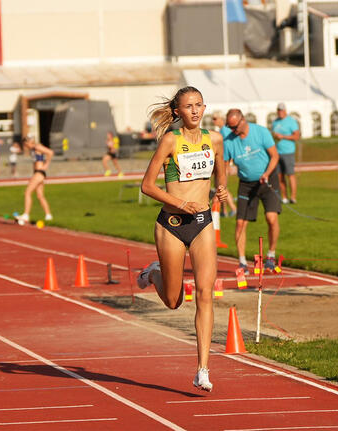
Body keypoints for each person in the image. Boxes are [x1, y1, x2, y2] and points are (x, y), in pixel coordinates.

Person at [137, 86, 227, 392]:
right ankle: (154, 273)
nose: (195, 110)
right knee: (175, 301)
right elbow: (147, 186)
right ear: (178, 111)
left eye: (199, 105)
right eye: (189, 106)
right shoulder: (170, 141)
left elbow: (221, 172)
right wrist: (180, 203)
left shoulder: (214, 139)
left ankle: (203, 368)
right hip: (172, 223)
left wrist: (223, 189)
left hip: (202, 223)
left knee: (205, 293)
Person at [224, 109, 281, 273]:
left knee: (271, 218)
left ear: (243, 121)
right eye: (230, 127)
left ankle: (271, 255)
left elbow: (275, 156)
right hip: (246, 184)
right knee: (241, 223)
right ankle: (242, 262)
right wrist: (223, 185)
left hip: (268, 180)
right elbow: (226, 166)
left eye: (234, 127)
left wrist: (266, 174)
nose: (232, 131)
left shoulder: (261, 132)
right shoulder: (229, 141)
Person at [14, 136, 54, 224]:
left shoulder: (37, 147)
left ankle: (26, 214)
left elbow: (50, 152)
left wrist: (46, 165)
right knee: (40, 195)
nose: (25, 147)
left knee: (27, 192)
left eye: (25, 144)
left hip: (39, 172)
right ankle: (48, 215)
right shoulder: (33, 149)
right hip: (38, 173)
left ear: (28, 142)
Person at [271, 103, 300, 204]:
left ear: (285, 111)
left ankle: (293, 197)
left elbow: (296, 136)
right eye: (279, 110)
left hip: (288, 152)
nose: (280, 112)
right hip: (277, 153)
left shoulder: (291, 121)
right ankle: (284, 197)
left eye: (282, 110)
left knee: (290, 174)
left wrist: (283, 136)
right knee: (279, 176)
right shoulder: (275, 122)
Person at [212, 111, 237, 217]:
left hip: (224, 162)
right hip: (221, 162)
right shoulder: (222, 131)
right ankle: (224, 211)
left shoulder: (225, 131)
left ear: (221, 119)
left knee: (222, 187)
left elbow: (231, 147)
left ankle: (233, 208)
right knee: (220, 186)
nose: (213, 121)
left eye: (215, 118)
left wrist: (230, 163)